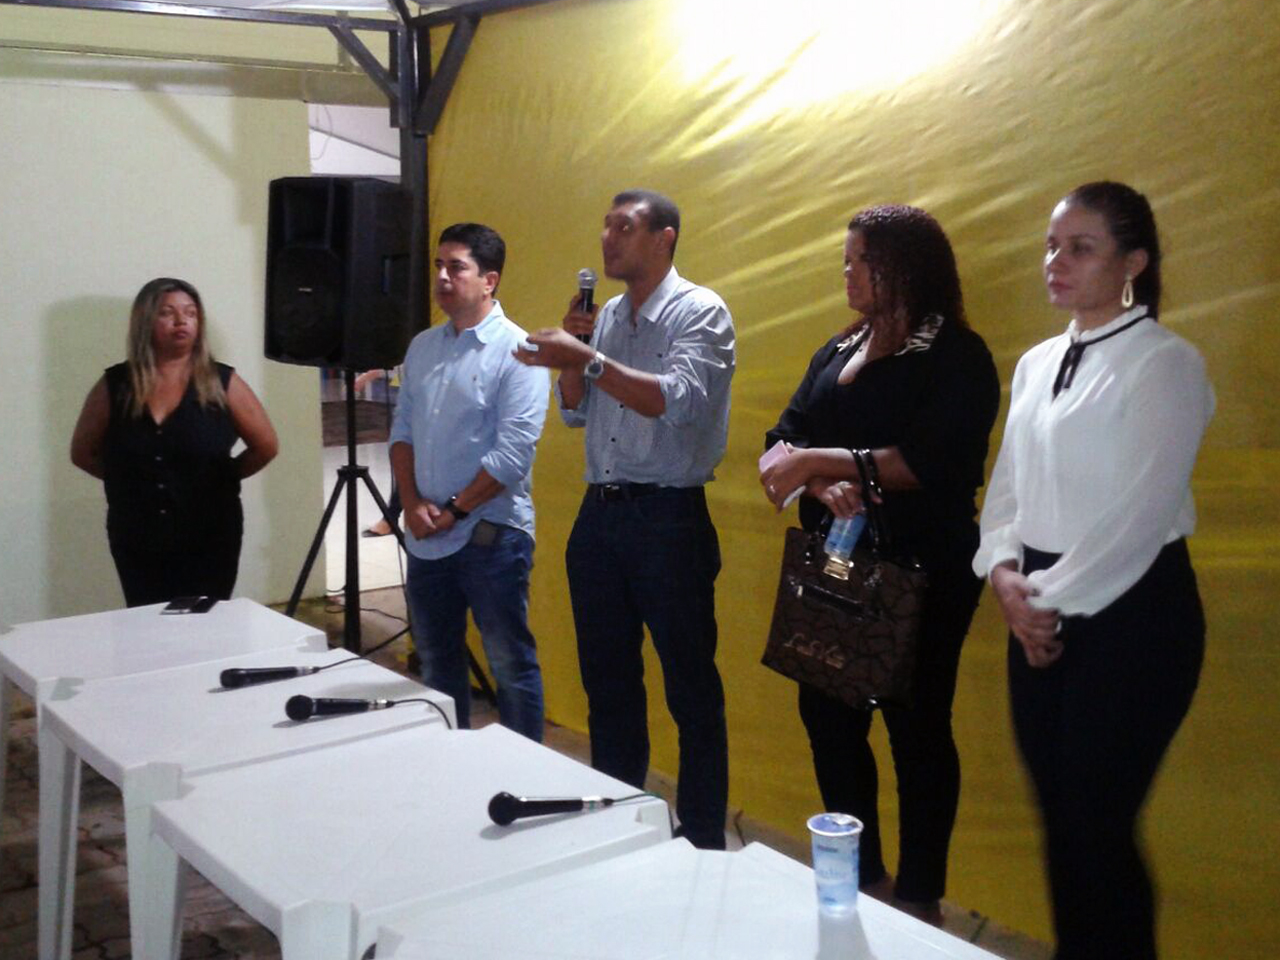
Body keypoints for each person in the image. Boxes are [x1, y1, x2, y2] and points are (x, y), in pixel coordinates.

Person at [973, 182, 1213, 960]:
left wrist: (1037, 600)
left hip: (1134, 613)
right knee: (1060, 818)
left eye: (1081, 248)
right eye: (1052, 246)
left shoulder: (1165, 364)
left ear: (1133, 263)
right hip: (1037, 604)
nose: (1057, 261)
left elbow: (1139, 518)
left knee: (1097, 822)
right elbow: (1008, 492)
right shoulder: (1038, 363)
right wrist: (1004, 576)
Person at [762, 205, 999, 923]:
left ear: (905, 267)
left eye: (860, 259)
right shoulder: (840, 348)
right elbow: (781, 444)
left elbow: (928, 461)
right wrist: (815, 483)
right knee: (827, 713)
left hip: (921, 568)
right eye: (846, 259)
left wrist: (821, 461)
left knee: (915, 724)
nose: (847, 272)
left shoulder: (954, 354)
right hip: (838, 564)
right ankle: (860, 875)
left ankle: (920, 896)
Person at [515, 189, 735, 849]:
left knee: (690, 690)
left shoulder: (700, 310)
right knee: (607, 685)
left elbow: (681, 402)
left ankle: (701, 839)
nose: (609, 238)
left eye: (625, 226)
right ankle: (618, 822)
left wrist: (586, 359)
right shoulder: (606, 315)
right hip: (600, 518)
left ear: (665, 238)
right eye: (606, 226)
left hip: (668, 520)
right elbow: (577, 411)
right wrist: (574, 360)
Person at [390, 222, 549, 741]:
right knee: (437, 664)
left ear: (489, 280)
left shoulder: (520, 350)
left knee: (509, 666)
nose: (442, 276)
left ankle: (523, 773)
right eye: (439, 265)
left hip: (490, 535)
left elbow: (513, 453)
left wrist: (455, 510)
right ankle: (449, 768)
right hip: (426, 534)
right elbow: (401, 432)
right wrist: (410, 501)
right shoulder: (422, 347)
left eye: (456, 267)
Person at [69, 277, 278, 607]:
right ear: (145, 321)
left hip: (209, 532)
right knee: (147, 622)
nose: (182, 321)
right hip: (137, 534)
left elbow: (266, 446)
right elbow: (82, 453)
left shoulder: (222, 382)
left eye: (190, 313)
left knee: (204, 621)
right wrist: (130, 481)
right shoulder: (116, 385)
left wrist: (220, 478)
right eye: (167, 313)